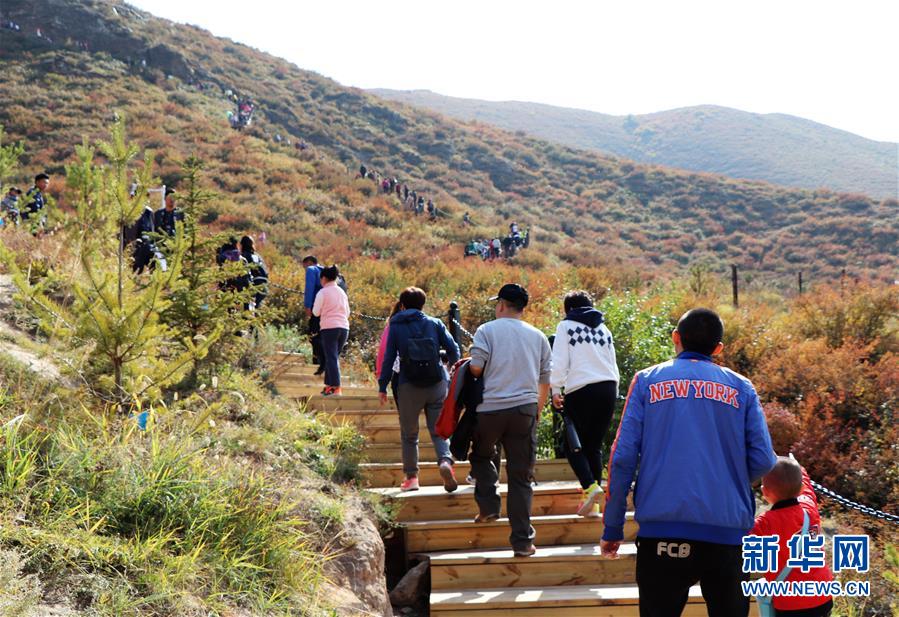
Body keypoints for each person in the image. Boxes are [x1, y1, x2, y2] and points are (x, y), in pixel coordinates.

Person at [600, 308, 777, 617]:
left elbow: (623, 457)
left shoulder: (646, 381)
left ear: (675, 339)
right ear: (718, 348)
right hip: (727, 534)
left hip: (662, 534)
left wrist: (613, 527)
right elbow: (763, 459)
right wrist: (728, 479)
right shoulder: (742, 388)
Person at [468, 284, 552, 557]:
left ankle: (489, 506)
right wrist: (536, 411)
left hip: (490, 409)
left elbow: (476, 367)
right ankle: (523, 542)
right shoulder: (538, 336)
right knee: (520, 477)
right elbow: (544, 380)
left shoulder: (487, 330)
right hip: (525, 411)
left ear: (502, 304)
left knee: (481, 456)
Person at [378, 287, 461, 492]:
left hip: (408, 385)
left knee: (409, 434)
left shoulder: (395, 326)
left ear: (403, 305)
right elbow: (454, 349)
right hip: (436, 383)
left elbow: (388, 358)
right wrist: (451, 370)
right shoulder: (434, 323)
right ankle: (445, 462)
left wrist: (383, 385)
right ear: (423, 304)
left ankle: (412, 478)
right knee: (439, 430)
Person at [550, 290, 619, 518]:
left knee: (573, 445)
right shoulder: (604, 329)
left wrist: (555, 388)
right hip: (608, 387)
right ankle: (593, 506)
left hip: (582, 388)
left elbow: (559, 361)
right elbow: (613, 363)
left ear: (568, 309)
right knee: (594, 446)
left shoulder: (566, 326)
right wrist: (614, 390)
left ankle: (590, 487)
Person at [751, 456, 833, 616]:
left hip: (791, 605)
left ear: (764, 492)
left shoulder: (765, 523)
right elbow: (806, 484)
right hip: (823, 598)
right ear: (801, 487)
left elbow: (739, 535)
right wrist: (796, 466)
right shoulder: (809, 507)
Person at [312, 265, 350, 397]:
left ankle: (335, 387)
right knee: (332, 357)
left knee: (331, 357)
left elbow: (315, 312)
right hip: (344, 328)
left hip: (329, 328)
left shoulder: (322, 292)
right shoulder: (342, 292)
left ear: (324, 278)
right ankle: (329, 386)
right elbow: (348, 312)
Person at [303, 255, 326, 376]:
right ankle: (323, 364)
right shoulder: (326, 272)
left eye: (304, 266)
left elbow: (309, 288)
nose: (305, 269)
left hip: (316, 309)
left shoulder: (311, 270)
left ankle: (317, 363)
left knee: (314, 336)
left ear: (310, 263)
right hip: (329, 312)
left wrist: (307, 306)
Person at [239, 235, 269, 311]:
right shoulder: (258, 256)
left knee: (248, 310)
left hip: (253, 287)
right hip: (263, 286)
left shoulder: (243, 257)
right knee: (256, 308)